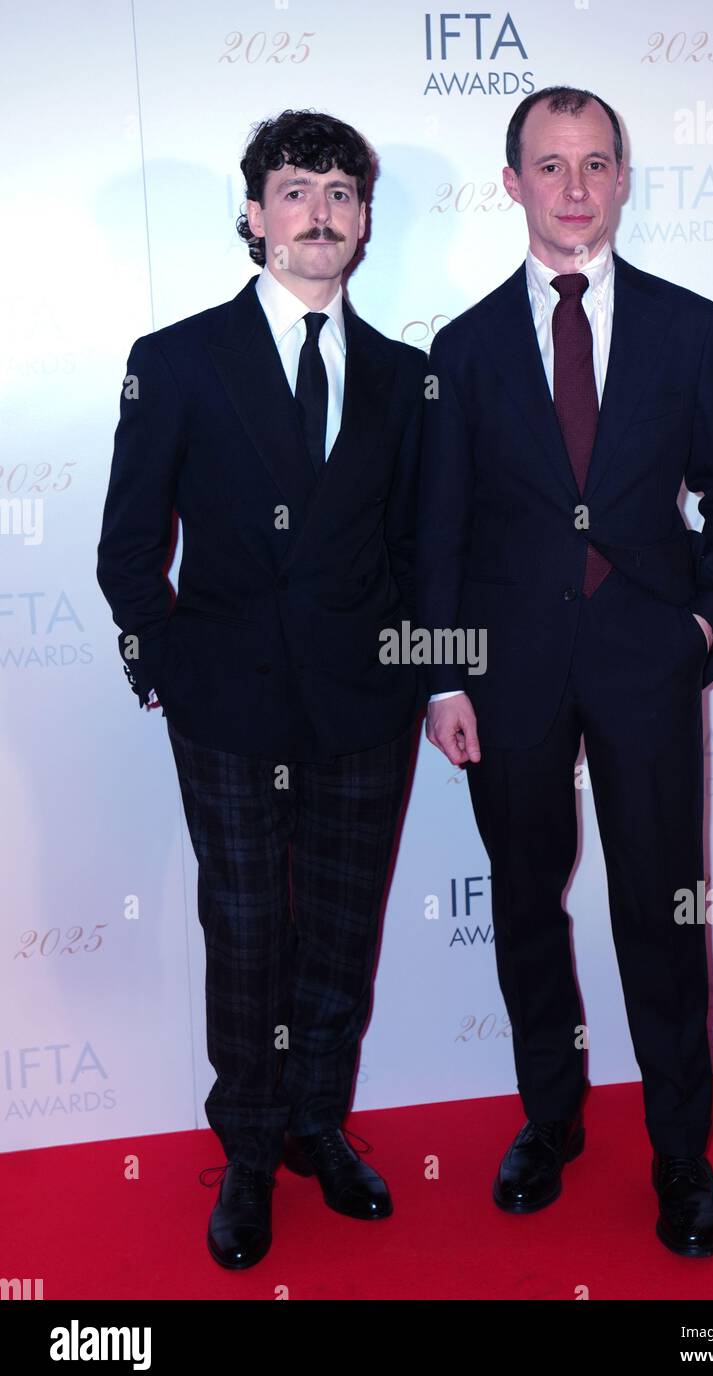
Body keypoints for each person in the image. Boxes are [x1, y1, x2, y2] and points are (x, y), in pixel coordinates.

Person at [417, 86, 713, 1256]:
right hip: (507, 676)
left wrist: (707, 624)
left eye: (595, 163)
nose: (574, 186)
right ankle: (548, 1122)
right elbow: (437, 532)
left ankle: (680, 1155)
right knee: (525, 905)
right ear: (510, 182)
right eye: (549, 165)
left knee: (659, 916)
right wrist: (443, 678)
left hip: (644, 663)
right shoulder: (458, 351)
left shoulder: (683, 325)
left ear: (622, 179)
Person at [97, 110, 426, 1269]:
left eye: (341, 190)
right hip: (228, 706)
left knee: (339, 934)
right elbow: (129, 546)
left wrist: (431, 682)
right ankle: (244, 1151)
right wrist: (162, 669)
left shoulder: (405, 378)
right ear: (254, 215)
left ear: (365, 220)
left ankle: (315, 1126)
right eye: (295, 188)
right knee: (242, 933)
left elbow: (424, 555)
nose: (320, 210)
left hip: (363, 708)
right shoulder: (176, 360)